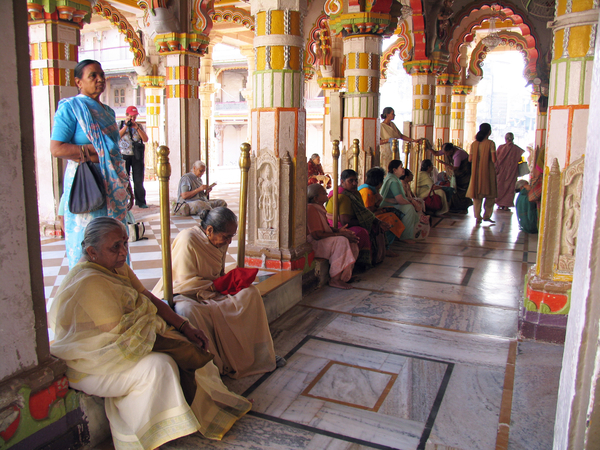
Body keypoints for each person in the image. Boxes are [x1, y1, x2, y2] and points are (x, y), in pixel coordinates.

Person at [48, 217, 251, 450]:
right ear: (92, 252)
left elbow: (149, 298)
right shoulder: (89, 282)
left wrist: (184, 327)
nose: (124, 251)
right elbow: (121, 336)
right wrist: (166, 334)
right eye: (115, 246)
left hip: (121, 348)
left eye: (125, 242)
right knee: (160, 365)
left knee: (186, 344)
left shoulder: (116, 266)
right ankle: (136, 440)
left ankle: (192, 416)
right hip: (94, 361)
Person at [152, 207, 284, 378]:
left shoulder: (216, 241)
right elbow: (182, 283)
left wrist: (224, 284)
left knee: (250, 294)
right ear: (209, 230)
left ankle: (258, 356)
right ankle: (214, 365)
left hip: (211, 290)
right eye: (226, 237)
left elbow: (218, 274)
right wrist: (216, 286)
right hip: (184, 294)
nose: (229, 242)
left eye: (232, 237)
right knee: (188, 311)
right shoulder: (188, 240)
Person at [50, 59, 132, 268]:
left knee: (115, 241)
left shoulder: (108, 112)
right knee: (91, 241)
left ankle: (117, 292)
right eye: (93, 76)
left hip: (112, 184)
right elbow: (57, 148)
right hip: (86, 184)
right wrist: (92, 151)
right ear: (78, 82)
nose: (99, 80)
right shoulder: (71, 108)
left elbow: (112, 151)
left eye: (101, 75)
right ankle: (89, 291)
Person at [326, 169, 392, 266]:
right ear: (342, 182)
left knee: (376, 225)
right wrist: (365, 221)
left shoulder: (355, 193)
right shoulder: (342, 196)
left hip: (350, 220)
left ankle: (379, 254)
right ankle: (359, 263)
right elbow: (345, 222)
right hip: (338, 225)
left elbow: (364, 211)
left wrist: (375, 221)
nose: (354, 183)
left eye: (356, 180)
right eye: (351, 181)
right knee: (361, 232)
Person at [307, 184, 359, 289]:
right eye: (323, 193)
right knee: (341, 241)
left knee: (351, 240)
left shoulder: (319, 207)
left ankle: (345, 276)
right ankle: (335, 279)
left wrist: (340, 230)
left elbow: (326, 227)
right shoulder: (311, 209)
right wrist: (339, 234)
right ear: (316, 198)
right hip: (314, 244)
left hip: (322, 240)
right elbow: (316, 235)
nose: (327, 193)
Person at [358, 167, 405, 251]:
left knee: (393, 211)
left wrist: (380, 201)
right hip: (365, 218)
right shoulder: (366, 191)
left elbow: (375, 205)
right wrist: (380, 209)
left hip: (371, 214)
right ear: (378, 181)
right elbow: (368, 212)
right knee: (391, 219)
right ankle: (385, 247)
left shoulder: (372, 190)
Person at [379, 160, 421, 242]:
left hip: (390, 204)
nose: (403, 169)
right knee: (409, 208)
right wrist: (412, 204)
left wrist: (412, 201)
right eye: (401, 167)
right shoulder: (393, 181)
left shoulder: (393, 179)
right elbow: (400, 200)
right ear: (395, 170)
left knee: (410, 206)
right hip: (386, 206)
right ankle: (405, 236)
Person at [429, 142, 472, 213]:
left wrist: (444, 163)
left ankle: (462, 208)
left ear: (451, 150)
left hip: (463, 176)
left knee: (460, 191)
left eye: (446, 153)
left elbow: (456, 168)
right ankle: (454, 207)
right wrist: (428, 147)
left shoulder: (457, 155)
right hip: (458, 175)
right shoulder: (450, 150)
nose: (445, 155)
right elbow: (436, 153)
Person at [467, 123, 497, 223]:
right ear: (489, 131)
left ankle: (477, 216)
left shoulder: (474, 144)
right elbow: (494, 159)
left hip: (476, 172)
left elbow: (470, 159)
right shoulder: (490, 143)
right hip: (488, 173)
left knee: (477, 196)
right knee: (490, 195)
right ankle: (487, 216)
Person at [119, 106, 149, 208]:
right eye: (131, 117)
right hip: (124, 155)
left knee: (138, 179)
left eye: (135, 117)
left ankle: (141, 201)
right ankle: (125, 200)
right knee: (124, 179)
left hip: (137, 155)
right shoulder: (119, 124)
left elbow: (145, 139)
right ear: (126, 115)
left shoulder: (139, 126)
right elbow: (116, 137)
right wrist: (126, 127)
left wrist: (136, 127)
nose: (133, 119)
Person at [495, 132, 525, 210]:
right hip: (512, 172)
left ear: (505, 139)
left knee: (500, 186)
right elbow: (520, 160)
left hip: (501, 172)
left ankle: (500, 203)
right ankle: (506, 205)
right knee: (510, 187)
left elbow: (496, 159)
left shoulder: (501, 148)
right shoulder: (517, 149)